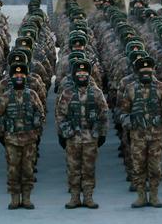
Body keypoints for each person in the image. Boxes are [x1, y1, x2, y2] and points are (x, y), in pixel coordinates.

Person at [118, 57, 162, 208]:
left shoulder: (161, 87)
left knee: (155, 167)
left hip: (155, 136)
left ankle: (154, 196)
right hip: (137, 136)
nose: (146, 73)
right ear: (138, 72)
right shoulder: (131, 88)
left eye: (149, 70)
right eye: (143, 71)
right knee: (138, 166)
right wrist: (130, 125)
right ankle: (141, 196)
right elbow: (123, 112)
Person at [55, 59, 109, 209]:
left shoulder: (96, 93)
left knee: (89, 169)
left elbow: (103, 114)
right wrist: (64, 133)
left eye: (85, 72)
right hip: (72, 138)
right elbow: (60, 115)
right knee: (73, 169)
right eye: (79, 72)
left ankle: (88, 197)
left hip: (91, 138)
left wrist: (101, 134)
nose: (82, 75)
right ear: (74, 75)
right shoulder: (67, 93)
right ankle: (74, 197)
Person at [0, 63, 45, 210]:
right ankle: (15, 198)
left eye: (22, 75)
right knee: (13, 171)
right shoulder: (5, 97)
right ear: (11, 77)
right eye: (16, 75)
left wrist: (36, 131)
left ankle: (27, 198)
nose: (19, 77)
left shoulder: (32, 95)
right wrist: (2, 135)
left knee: (28, 170)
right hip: (12, 140)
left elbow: (41, 114)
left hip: (29, 140)